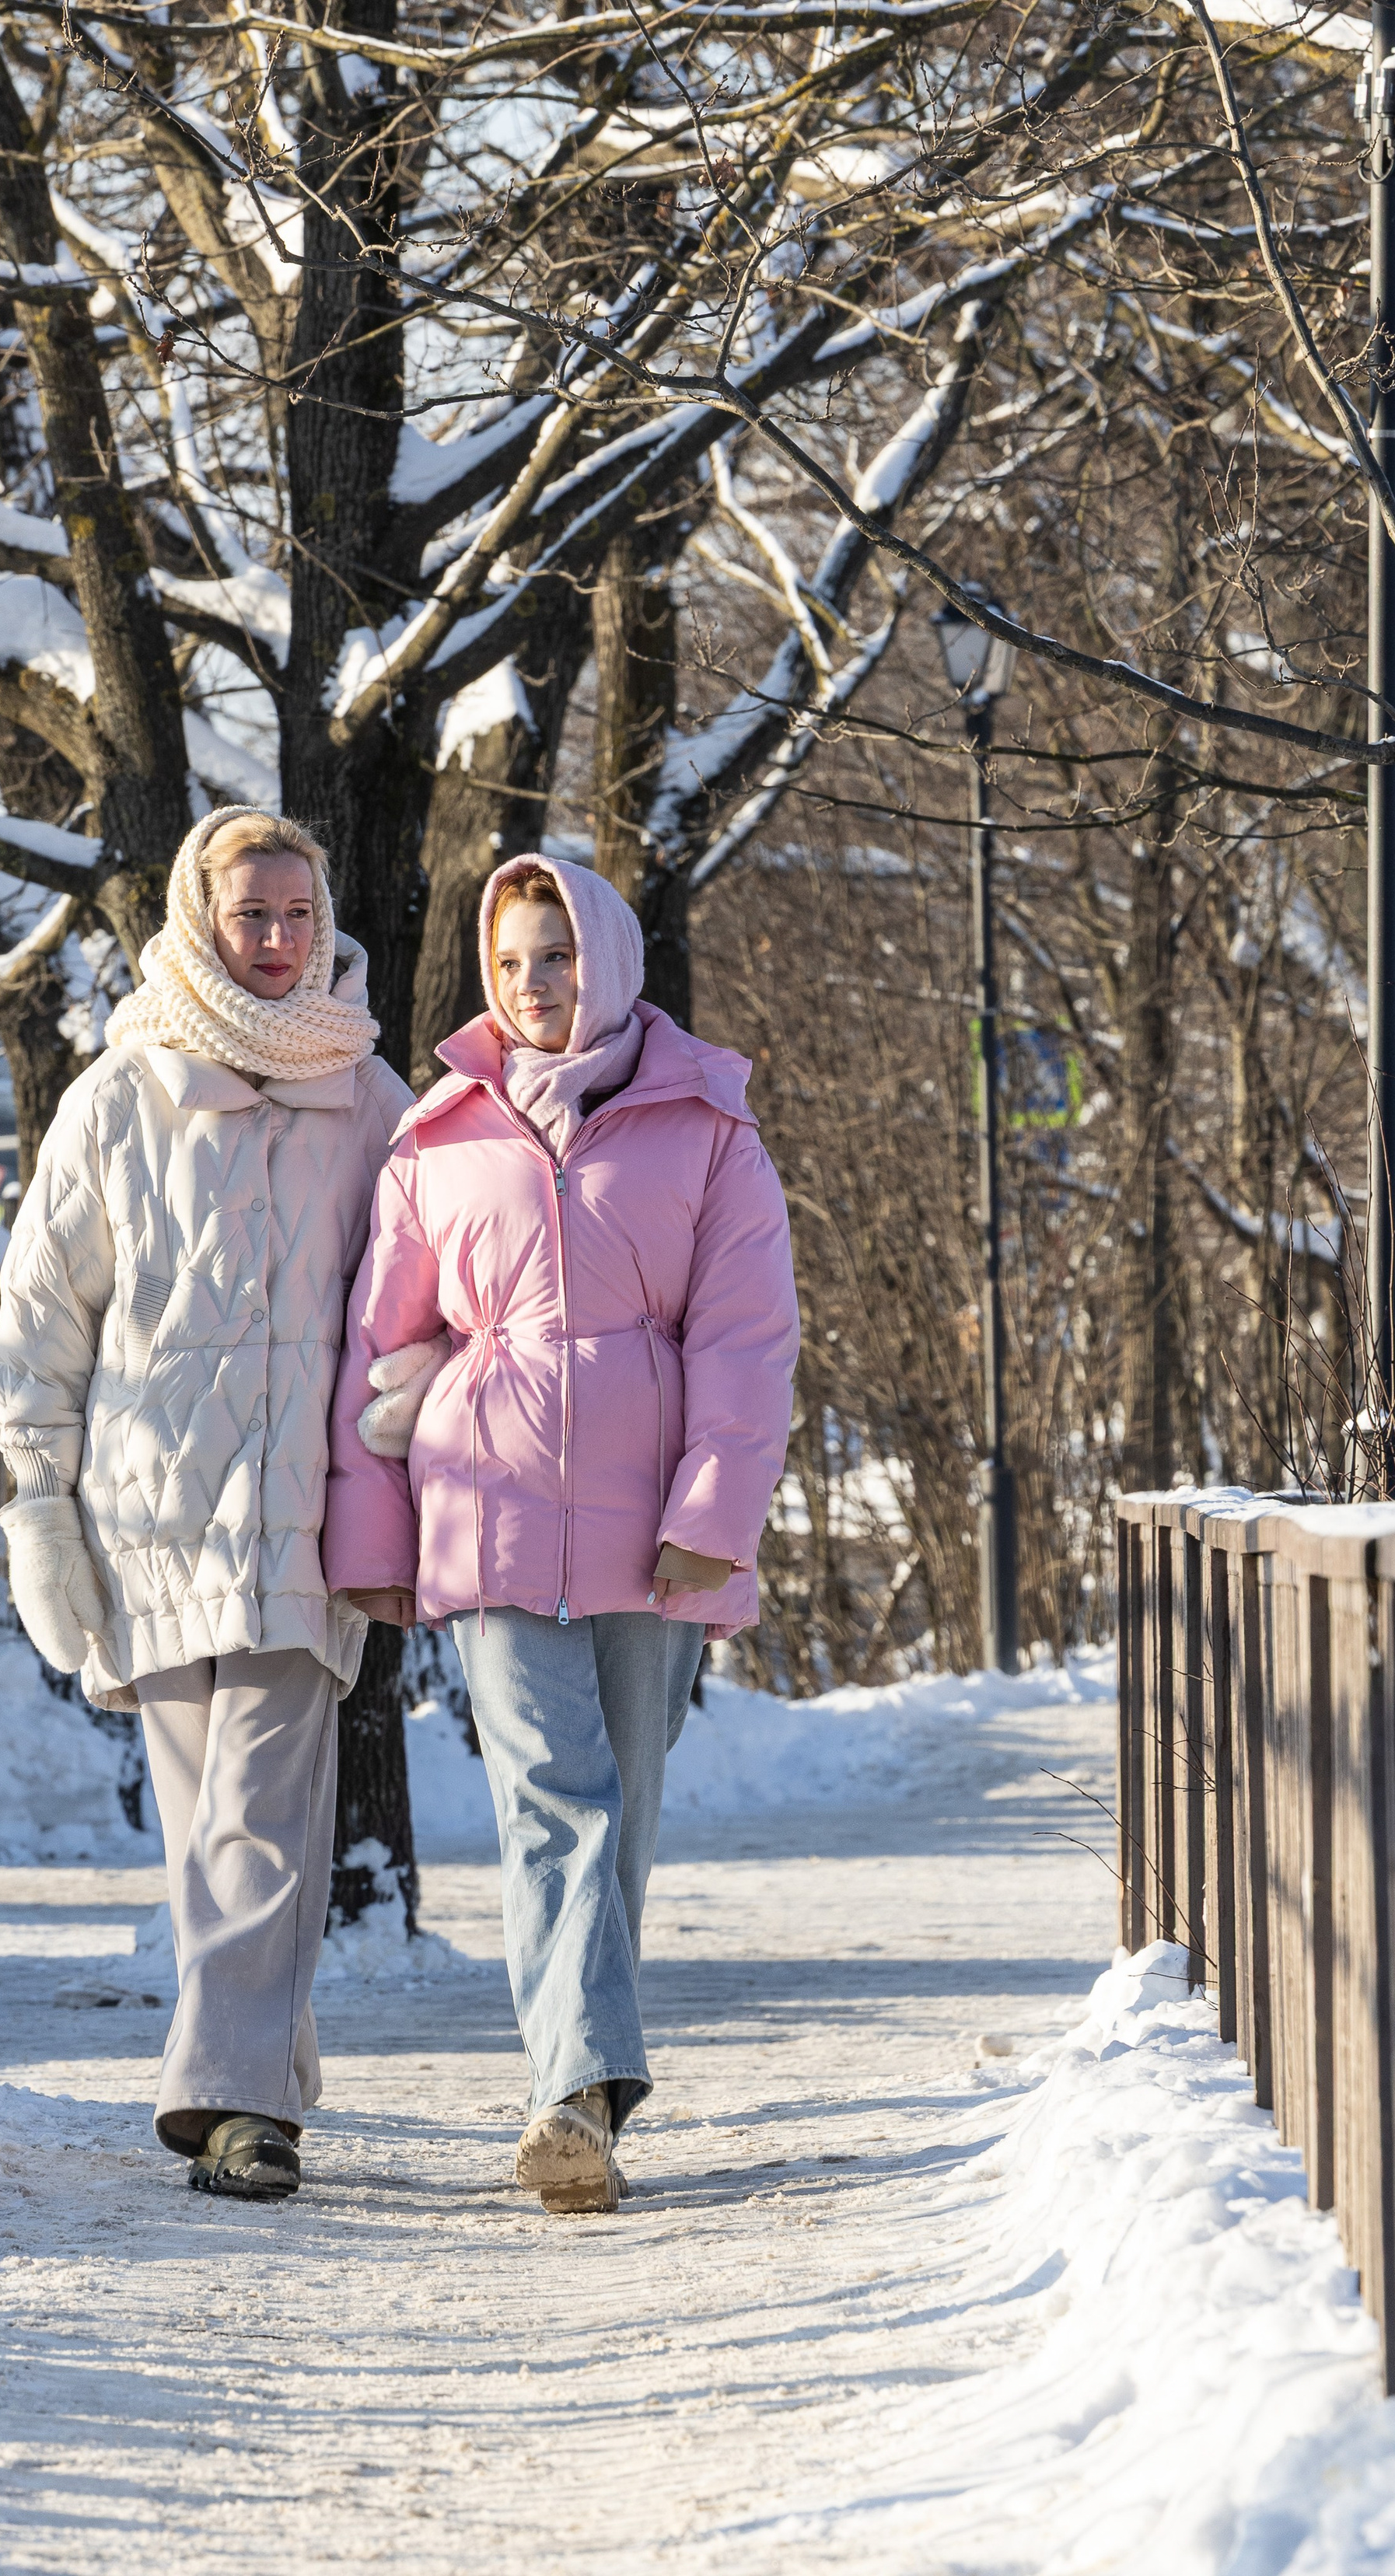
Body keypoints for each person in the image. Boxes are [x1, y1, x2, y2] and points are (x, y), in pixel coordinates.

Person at [324, 854, 797, 2214]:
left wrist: (714, 1517)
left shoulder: (709, 1126)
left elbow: (747, 1340)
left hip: (657, 1521)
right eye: (517, 961)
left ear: (611, 961)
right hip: (485, 1503)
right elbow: (382, 1350)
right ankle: (572, 2096)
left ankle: (581, 2081)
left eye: (561, 957)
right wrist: (375, 1535)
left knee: (622, 1811)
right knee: (550, 1801)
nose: (537, 985)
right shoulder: (440, 1132)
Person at [0, 805, 412, 2201]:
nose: (281, 941)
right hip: (153, 1516)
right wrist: (38, 1496)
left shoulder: (373, 1098)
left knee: (258, 1811)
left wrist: (397, 1428)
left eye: (300, 914)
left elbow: (418, 1300)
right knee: (208, 1835)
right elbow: (45, 1311)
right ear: (199, 919)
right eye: (254, 916)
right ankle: (262, 2091)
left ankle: (224, 2104)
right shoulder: (119, 1094)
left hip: (303, 1513)